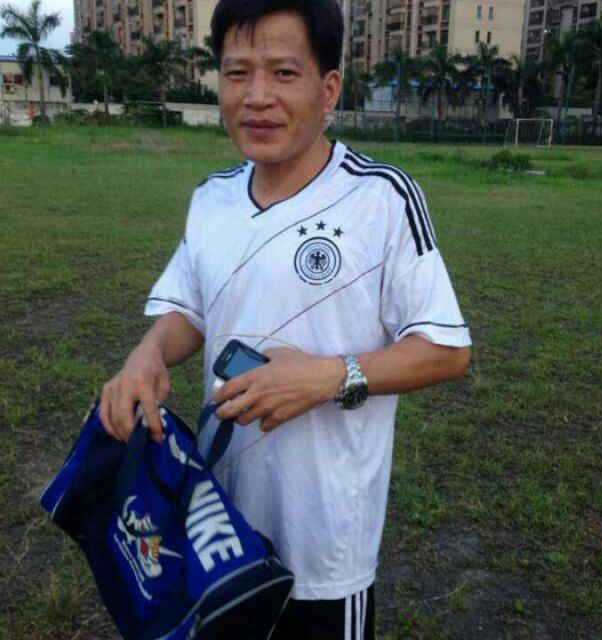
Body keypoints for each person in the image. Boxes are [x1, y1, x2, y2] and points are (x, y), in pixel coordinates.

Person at [99, 0, 472, 637]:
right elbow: (189, 308)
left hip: (324, 543)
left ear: (329, 90)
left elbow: (445, 347)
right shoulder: (212, 198)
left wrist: (329, 376)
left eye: (283, 73)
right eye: (237, 73)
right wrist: (148, 354)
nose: (257, 97)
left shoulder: (381, 198)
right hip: (216, 524)